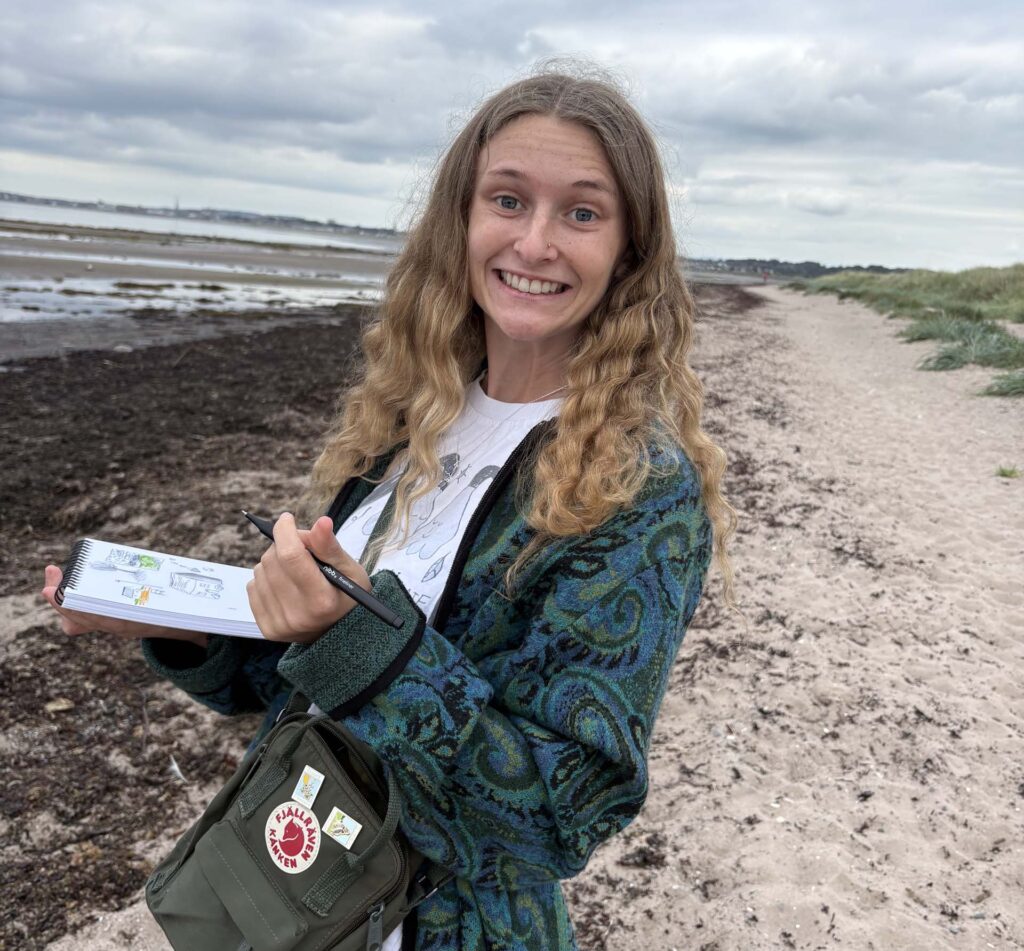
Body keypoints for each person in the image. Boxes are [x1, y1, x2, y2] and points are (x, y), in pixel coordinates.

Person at [42, 69, 734, 950]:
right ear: (462, 219)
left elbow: (562, 813)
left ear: (630, 251)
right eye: (508, 199)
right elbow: (295, 684)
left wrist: (353, 636)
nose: (536, 240)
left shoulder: (639, 485)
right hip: (298, 898)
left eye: (583, 213)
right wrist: (176, 624)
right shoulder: (413, 418)